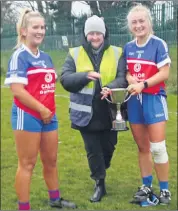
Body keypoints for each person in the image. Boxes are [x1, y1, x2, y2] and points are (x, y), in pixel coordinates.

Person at [4, 9, 76, 210]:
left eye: (43, 27)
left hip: (48, 116)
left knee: (51, 160)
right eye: (35, 27)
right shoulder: (19, 56)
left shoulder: (46, 57)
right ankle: (23, 207)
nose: (40, 31)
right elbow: (17, 91)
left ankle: (55, 200)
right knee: (27, 164)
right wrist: (42, 110)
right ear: (24, 31)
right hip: (27, 116)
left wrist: (47, 111)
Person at [60, 15, 128, 202]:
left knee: (109, 148)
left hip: (110, 111)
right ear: (86, 34)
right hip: (85, 113)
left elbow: (123, 77)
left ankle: (101, 167)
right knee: (93, 149)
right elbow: (65, 79)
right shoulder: (74, 53)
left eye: (98, 33)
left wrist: (111, 86)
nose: (95, 37)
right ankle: (100, 184)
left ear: (104, 34)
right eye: (91, 33)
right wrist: (84, 76)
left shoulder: (117, 52)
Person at [124, 4, 171, 206]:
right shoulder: (128, 47)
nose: (138, 25)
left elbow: (164, 73)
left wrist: (143, 84)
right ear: (130, 26)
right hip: (135, 101)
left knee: (158, 148)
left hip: (154, 99)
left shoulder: (158, 44)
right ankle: (146, 186)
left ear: (149, 22)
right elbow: (126, 73)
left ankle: (165, 190)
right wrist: (130, 79)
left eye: (141, 21)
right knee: (142, 147)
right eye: (134, 22)